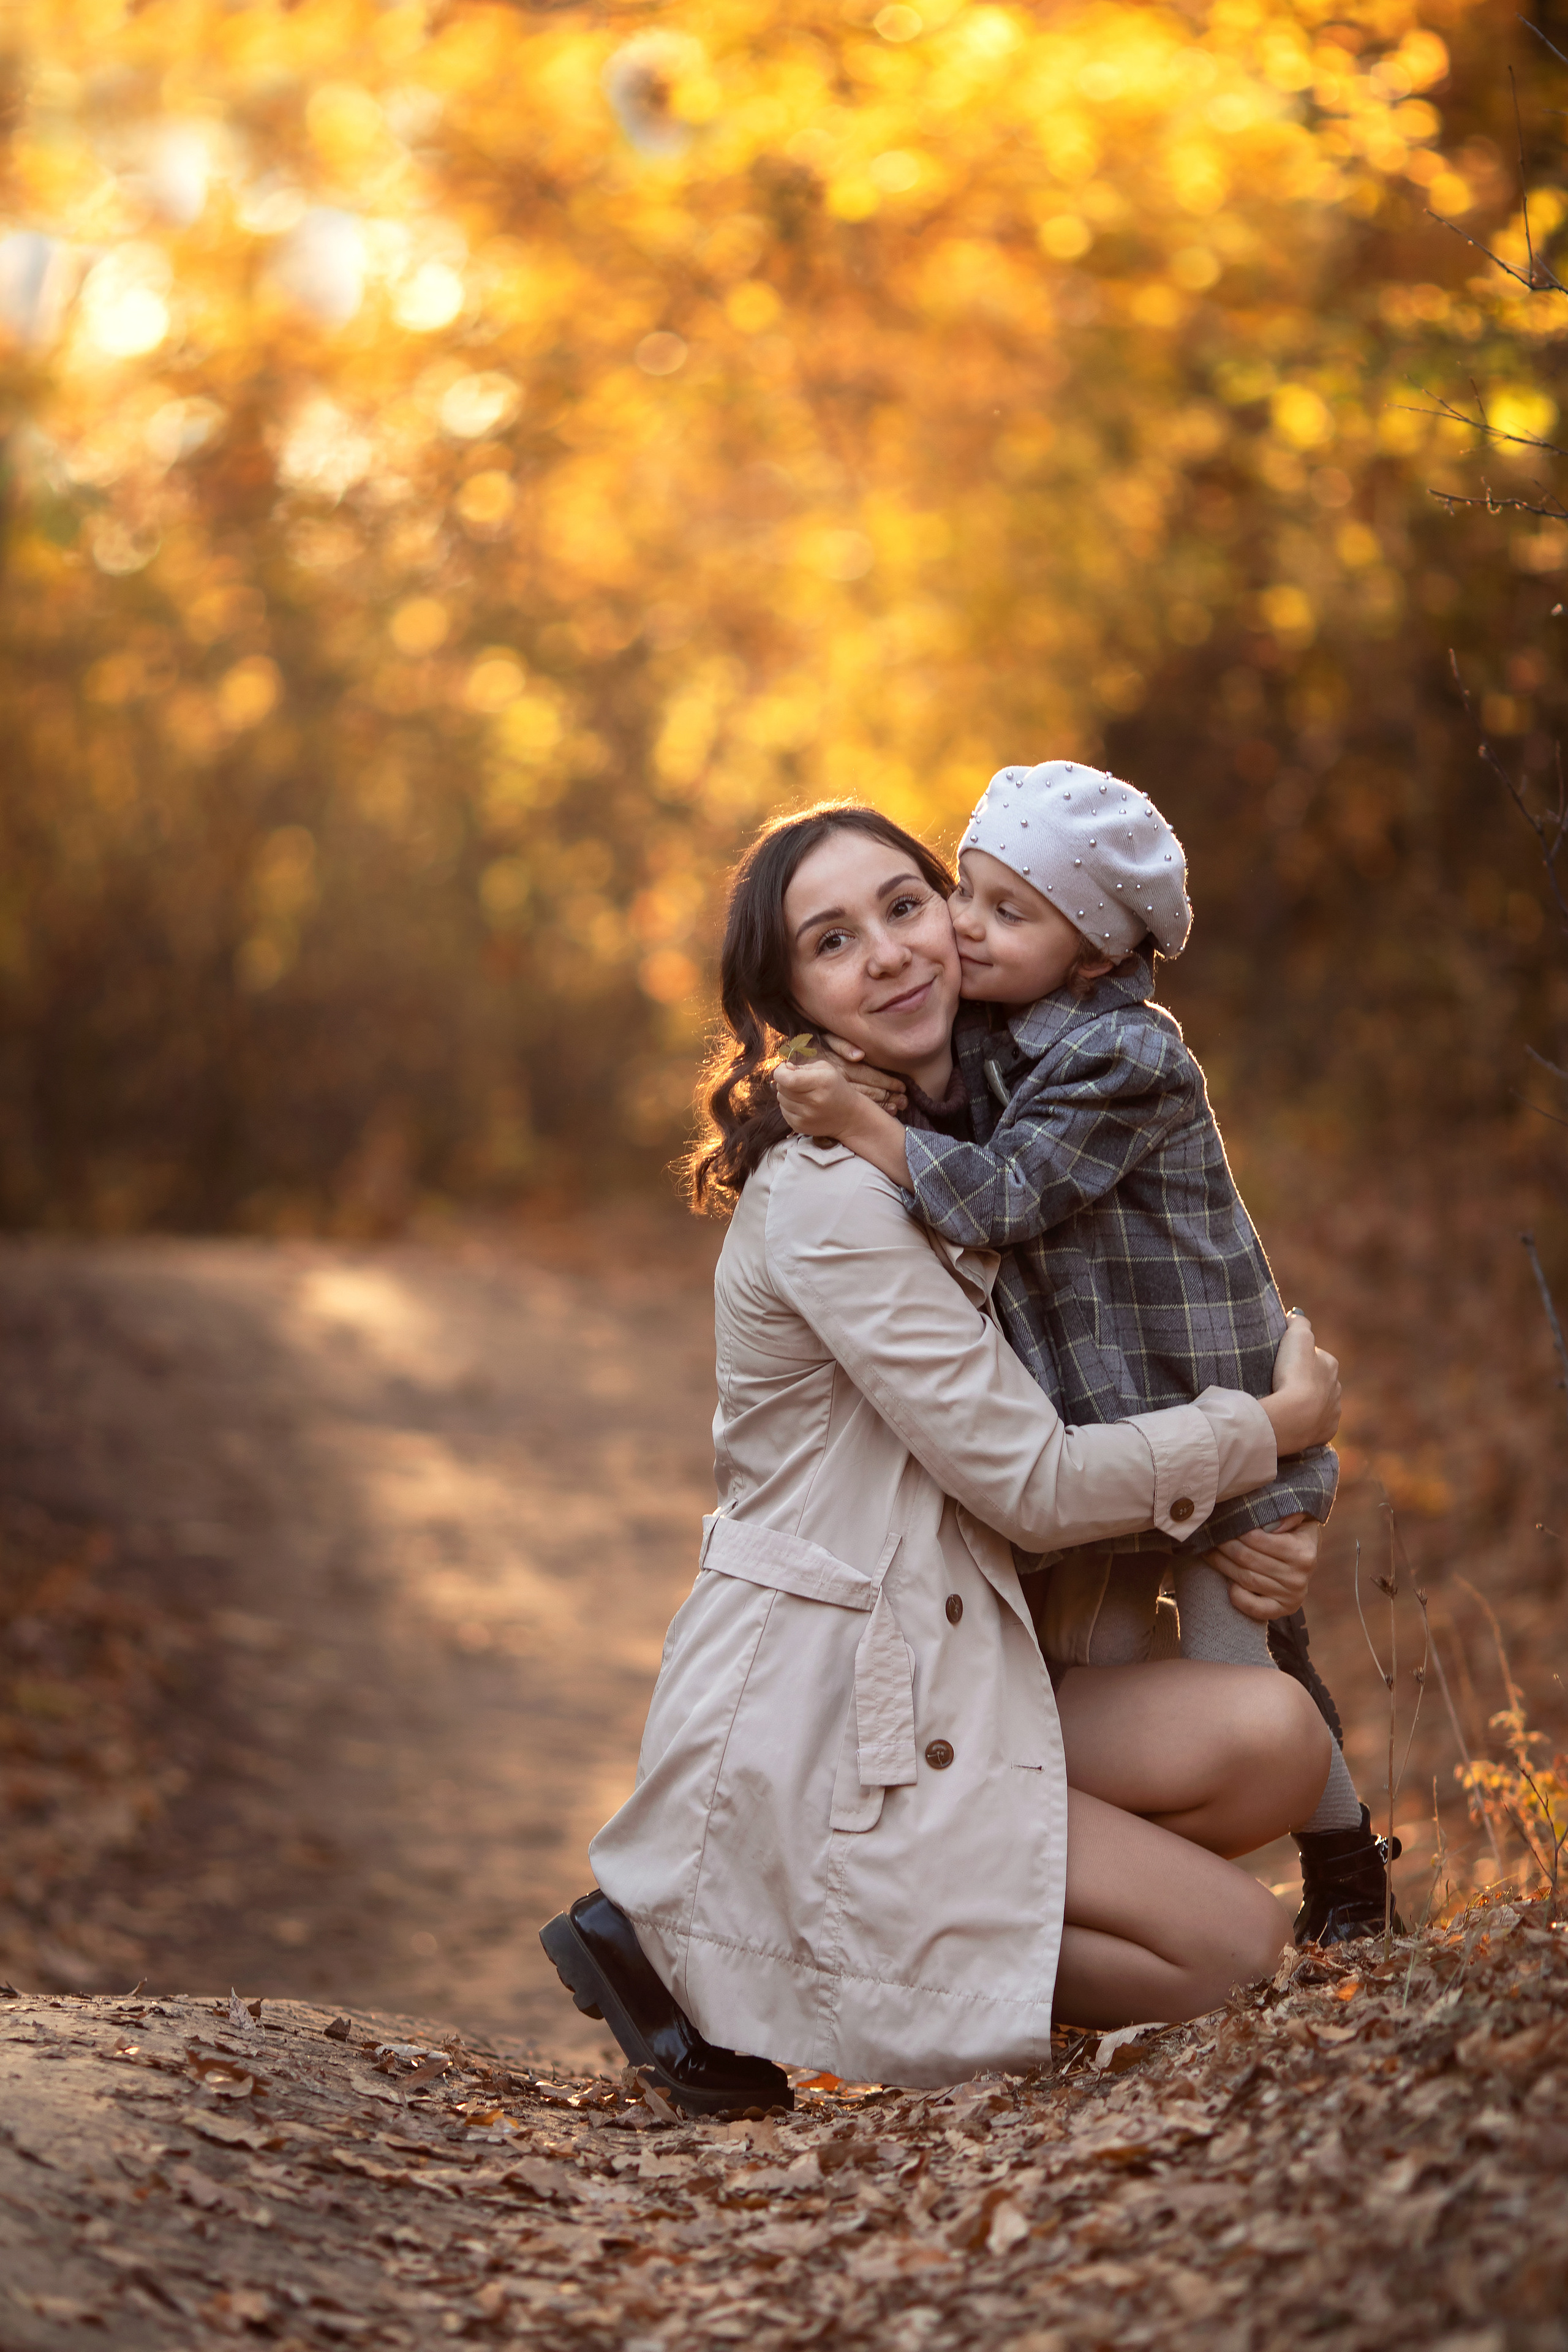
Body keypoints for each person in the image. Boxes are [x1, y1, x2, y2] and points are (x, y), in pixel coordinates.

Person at [541, 805, 1340, 2114]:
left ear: (964, 920)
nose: (892, 956)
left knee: (1272, 1740)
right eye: (832, 941)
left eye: (907, 907)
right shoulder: (838, 1199)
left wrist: (1253, 1514)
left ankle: (886, 1927)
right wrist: (1265, 1429)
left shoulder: (994, 1134)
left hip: (960, 1666)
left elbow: (1139, 1343)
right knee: (1237, 1948)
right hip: (843, 1704)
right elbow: (1028, 1478)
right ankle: (720, 1935)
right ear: (792, 997)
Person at [772, 763, 1396, 1944]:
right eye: (963, 891)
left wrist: (863, 1122)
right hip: (1118, 1440)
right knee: (1095, 1663)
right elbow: (939, 1102)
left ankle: (1347, 1874)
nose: (958, 929)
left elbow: (1002, 1192)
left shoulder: (1125, 1057)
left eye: (1005, 913)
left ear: (1095, 954)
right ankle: (1084, 1904)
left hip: (1208, 1416)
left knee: (1238, 1658)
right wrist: (847, 1083)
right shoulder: (996, 1030)